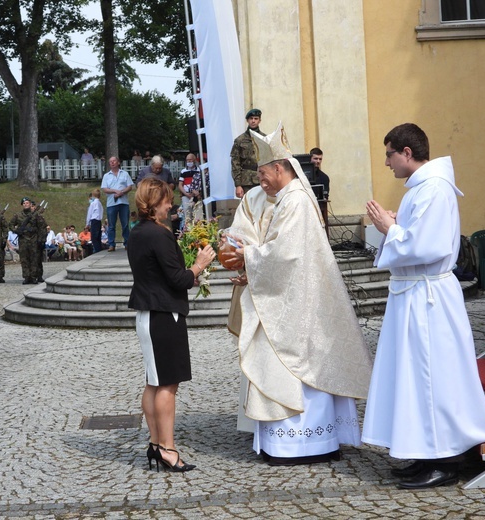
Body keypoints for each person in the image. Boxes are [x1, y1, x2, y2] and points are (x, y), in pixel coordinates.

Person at [362, 123, 485, 489]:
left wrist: (389, 229)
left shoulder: (435, 189)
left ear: (407, 153)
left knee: (429, 377)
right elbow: (417, 237)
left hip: (427, 299)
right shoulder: (422, 189)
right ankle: (424, 451)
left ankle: (444, 461)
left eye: (390, 154)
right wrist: (396, 225)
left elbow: (430, 246)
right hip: (413, 294)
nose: (387, 163)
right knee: (413, 376)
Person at [223, 122, 373, 466]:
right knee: (272, 364)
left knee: (303, 365)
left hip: (300, 304)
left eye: (262, 172)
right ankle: (278, 443)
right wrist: (236, 253)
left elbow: (287, 254)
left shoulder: (298, 202)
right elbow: (242, 231)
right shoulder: (258, 196)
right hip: (268, 295)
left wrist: (249, 258)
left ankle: (308, 444)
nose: (258, 179)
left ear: (280, 168)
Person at [127, 177, 216, 472]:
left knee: (154, 382)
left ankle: (156, 443)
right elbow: (178, 279)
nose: (170, 204)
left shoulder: (137, 232)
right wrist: (200, 263)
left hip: (148, 313)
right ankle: (167, 449)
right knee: (167, 385)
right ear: (154, 203)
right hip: (164, 315)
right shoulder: (158, 234)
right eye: (166, 200)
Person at [9, 197, 47, 284]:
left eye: (27, 203)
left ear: (30, 204)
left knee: (34, 259)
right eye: (24, 203)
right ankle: (26, 277)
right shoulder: (18, 215)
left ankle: (33, 277)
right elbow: (11, 224)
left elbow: (42, 227)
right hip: (23, 239)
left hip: (33, 239)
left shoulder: (36, 214)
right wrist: (16, 231)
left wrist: (41, 239)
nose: (26, 204)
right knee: (24, 259)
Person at [101, 156, 134, 252]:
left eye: (114, 161)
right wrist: (115, 191)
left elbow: (130, 186)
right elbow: (105, 189)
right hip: (111, 203)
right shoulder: (106, 176)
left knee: (125, 224)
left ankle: (127, 243)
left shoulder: (125, 174)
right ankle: (111, 244)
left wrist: (122, 192)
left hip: (123, 202)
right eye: (110, 161)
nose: (112, 163)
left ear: (118, 162)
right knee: (111, 225)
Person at [230, 108, 265, 198]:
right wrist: (238, 185)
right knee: (248, 208)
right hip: (246, 181)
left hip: (263, 178)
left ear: (260, 121)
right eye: (251, 119)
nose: (253, 121)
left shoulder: (265, 139)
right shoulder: (239, 140)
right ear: (247, 120)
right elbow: (235, 163)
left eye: (256, 118)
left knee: (264, 208)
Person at [178, 154, 201, 226]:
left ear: (194, 161)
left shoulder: (199, 170)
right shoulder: (183, 171)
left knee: (198, 214)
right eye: (187, 160)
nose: (189, 162)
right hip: (186, 195)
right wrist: (185, 193)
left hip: (196, 195)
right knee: (187, 214)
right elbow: (180, 184)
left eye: (190, 160)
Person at [86, 188, 104, 254]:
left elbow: (89, 214)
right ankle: (100, 249)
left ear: (93, 195)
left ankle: (97, 251)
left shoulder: (93, 204)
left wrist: (87, 223)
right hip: (99, 221)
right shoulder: (100, 204)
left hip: (94, 220)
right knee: (98, 237)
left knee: (94, 237)